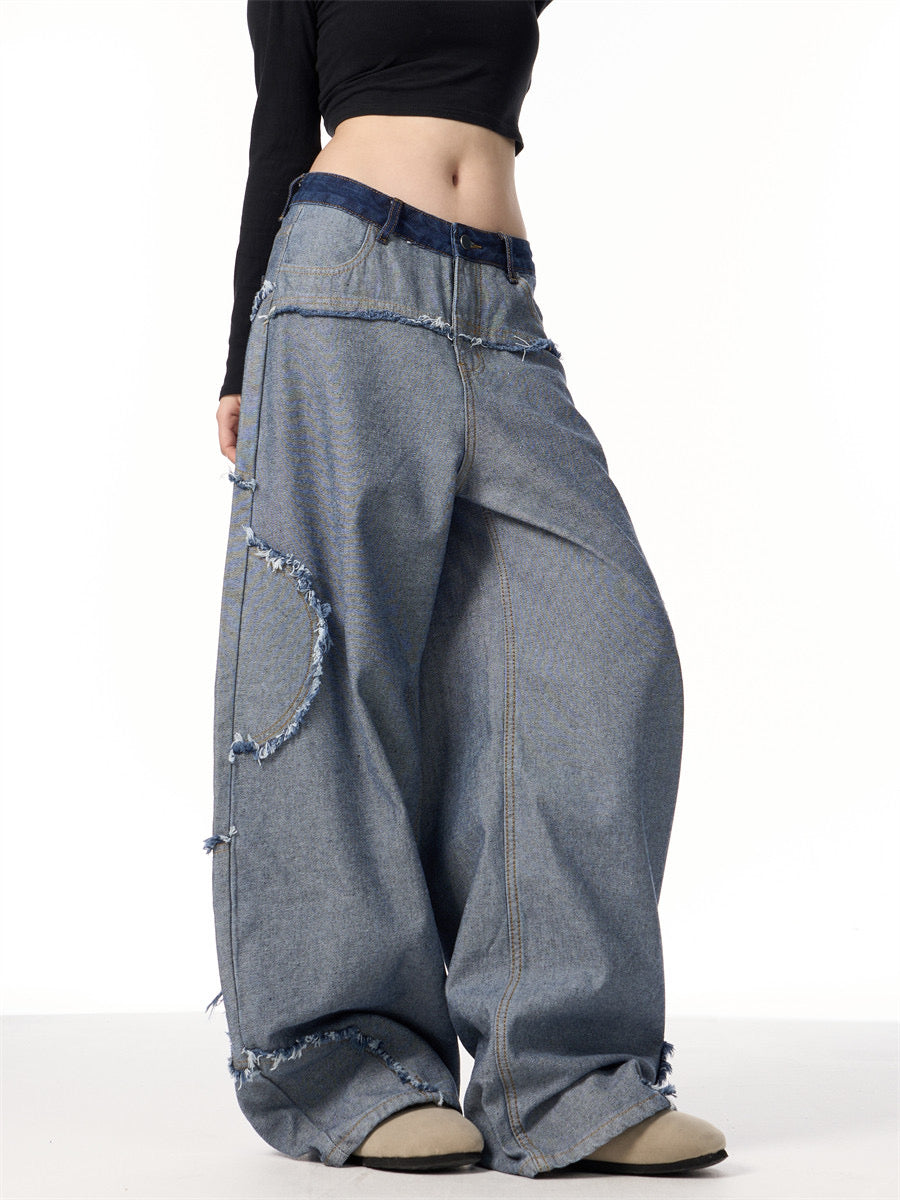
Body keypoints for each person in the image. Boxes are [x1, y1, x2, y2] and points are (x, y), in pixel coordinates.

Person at [208, 0, 728, 1179]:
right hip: (343, 278)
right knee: (332, 668)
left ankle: (563, 1074)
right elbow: (278, 124)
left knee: (606, 644)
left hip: (500, 306)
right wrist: (242, 356)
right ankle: (347, 1060)